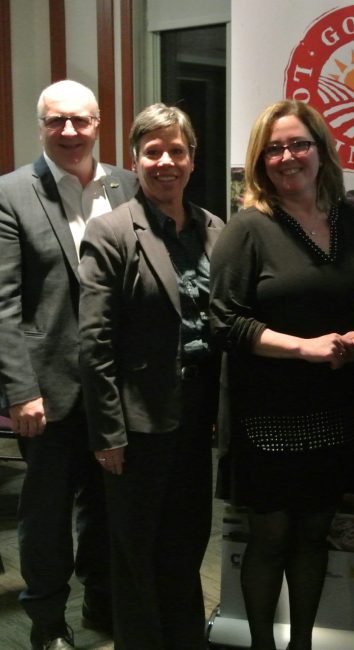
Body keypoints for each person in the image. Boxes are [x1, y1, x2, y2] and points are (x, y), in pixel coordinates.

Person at [209, 100, 354, 650]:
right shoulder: (248, 228)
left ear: (321, 150)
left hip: (337, 408)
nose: (288, 157)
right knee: (270, 538)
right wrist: (302, 348)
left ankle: (302, 643)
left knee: (315, 536)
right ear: (260, 161)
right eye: (274, 149)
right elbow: (223, 321)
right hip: (269, 413)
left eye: (298, 144)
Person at [78, 103, 224, 649]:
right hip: (137, 426)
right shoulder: (111, 231)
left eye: (176, 151)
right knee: (136, 551)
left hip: (198, 420)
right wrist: (108, 434)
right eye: (153, 151)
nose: (166, 162)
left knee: (187, 543)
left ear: (192, 159)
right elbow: (94, 342)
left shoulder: (215, 229)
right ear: (135, 159)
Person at [0, 79, 137, 650]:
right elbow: (4, 303)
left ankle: (103, 606)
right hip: (47, 391)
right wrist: (21, 390)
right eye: (56, 120)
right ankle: (48, 625)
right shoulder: (12, 192)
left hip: (118, 387)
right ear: (41, 127)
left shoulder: (127, 184)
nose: (69, 131)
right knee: (47, 518)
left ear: (98, 122)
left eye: (80, 119)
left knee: (107, 509)